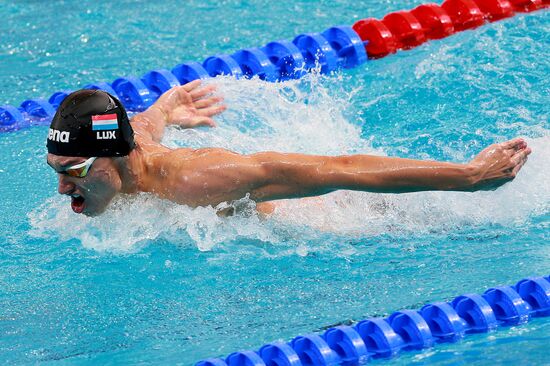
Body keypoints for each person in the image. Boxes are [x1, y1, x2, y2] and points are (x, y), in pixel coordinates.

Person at [46, 81, 531, 216]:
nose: (64, 185)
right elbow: (146, 125)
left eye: (75, 170)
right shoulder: (129, 149)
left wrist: (468, 176)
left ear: (114, 156)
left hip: (339, 218)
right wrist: (169, 107)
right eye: (57, 170)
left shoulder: (197, 179)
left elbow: (336, 167)